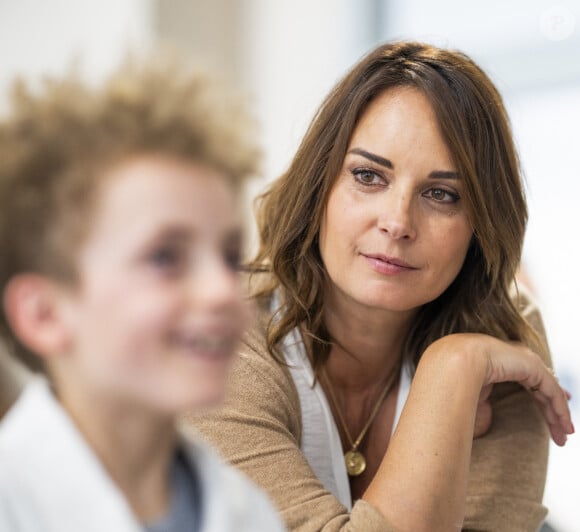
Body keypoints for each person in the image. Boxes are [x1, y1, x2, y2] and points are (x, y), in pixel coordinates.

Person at [184, 41, 574, 531]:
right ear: (319, 187)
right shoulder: (220, 331)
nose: (397, 222)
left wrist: (456, 358)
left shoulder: (499, 333)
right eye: (368, 176)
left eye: (441, 194)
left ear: (480, 224)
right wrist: (450, 374)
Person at [0, 57, 285, 532]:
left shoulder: (246, 512)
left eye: (229, 256)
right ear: (44, 313)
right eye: (164, 258)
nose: (221, 291)